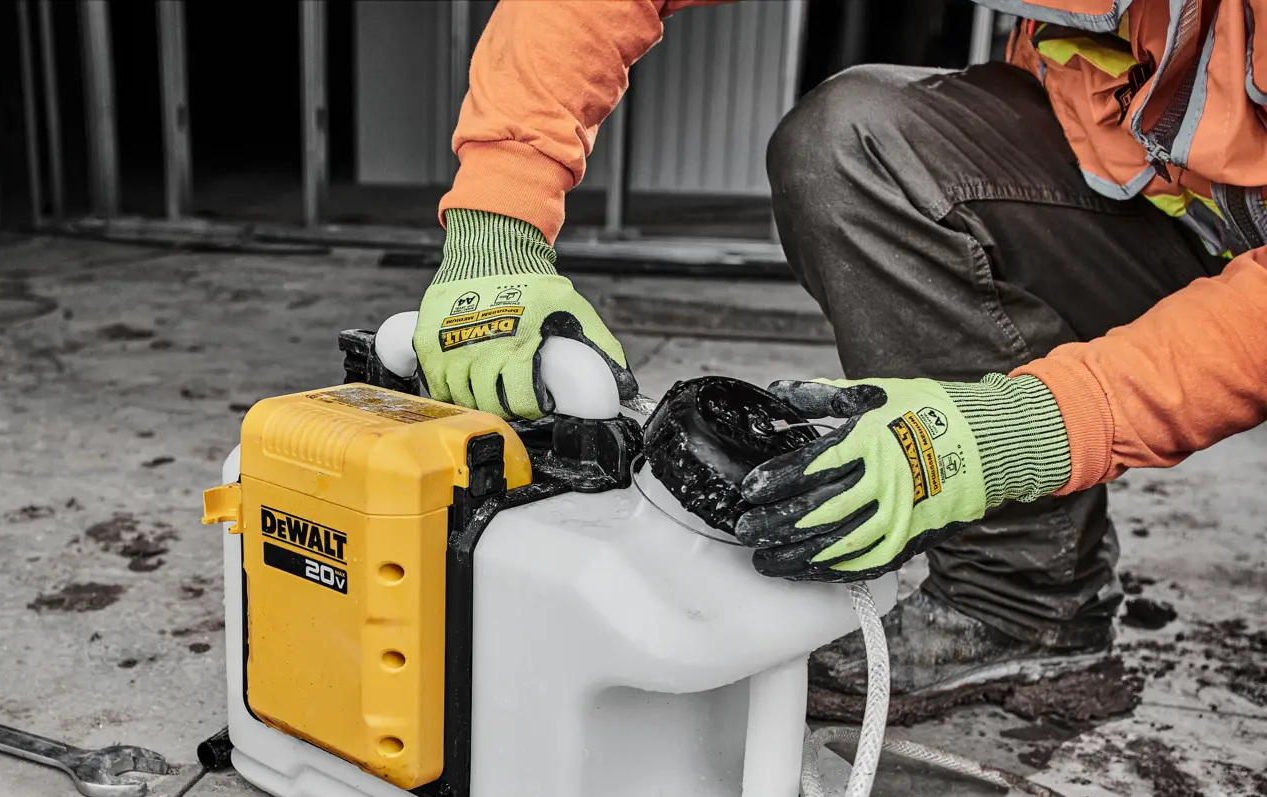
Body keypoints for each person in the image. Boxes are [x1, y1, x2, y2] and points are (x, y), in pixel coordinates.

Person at [409, 0, 1267, 712]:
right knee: (852, 142)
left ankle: (1023, 603)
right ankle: (1023, 594)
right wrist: (499, 222)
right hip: (1151, 221)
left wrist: (1020, 429)